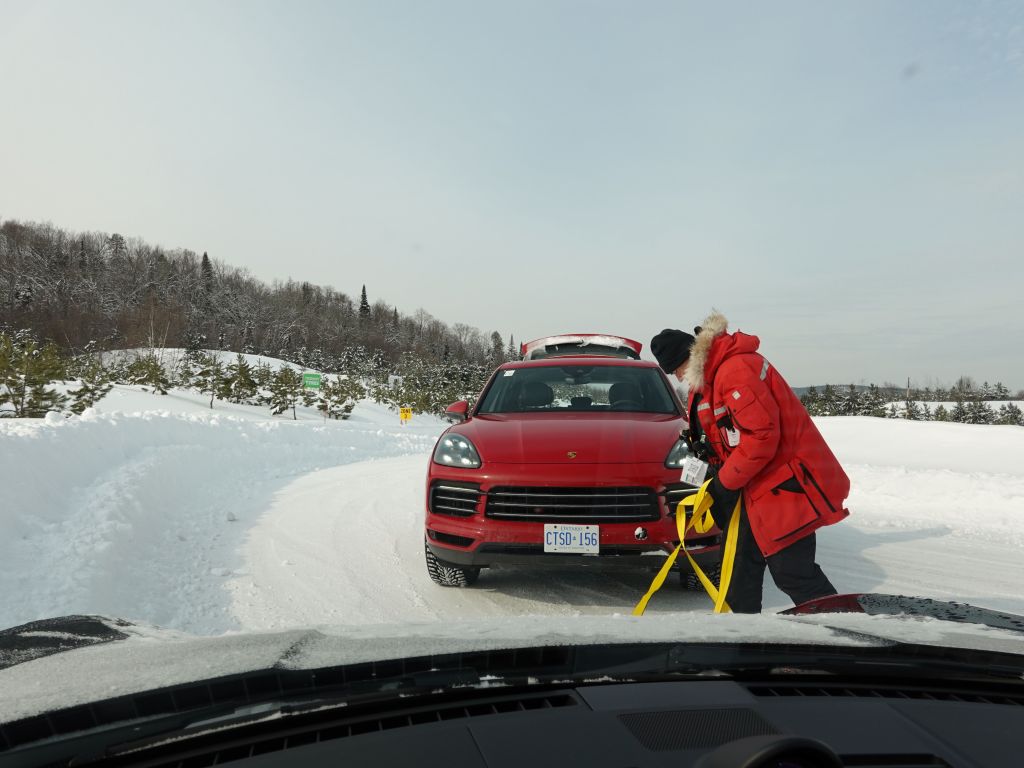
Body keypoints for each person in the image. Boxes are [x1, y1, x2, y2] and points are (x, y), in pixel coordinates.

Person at [650, 312, 849, 613]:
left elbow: (762, 437)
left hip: (782, 488)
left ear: (691, 356)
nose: (678, 377)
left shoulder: (735, 370)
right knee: (737, 574)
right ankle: (740, 646)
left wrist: (723, 483)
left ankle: (847, 633)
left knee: (793, 573)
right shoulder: (709, 378)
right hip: (748, 488)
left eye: (677, 369)